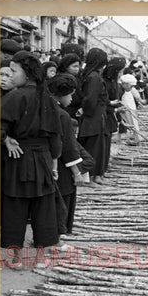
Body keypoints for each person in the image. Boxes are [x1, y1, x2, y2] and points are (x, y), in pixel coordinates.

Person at [0, 50, 63, 265]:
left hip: (18, 158)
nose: (10, 75)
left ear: (26, 73)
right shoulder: (47, 98)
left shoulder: (14, 97)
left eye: (13, 71)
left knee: (15, 206)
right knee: (43, 207)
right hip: (43, 159)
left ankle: (15, 259)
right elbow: (56, 136)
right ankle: (41, 258)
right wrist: (53, 160)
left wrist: (5, 139)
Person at [48, 73, 86, 233]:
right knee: (63, 196)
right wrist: (77, 173)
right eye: (70, 94)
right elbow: (69, 147)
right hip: (61, 166)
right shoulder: (62, 116)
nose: (71, 99)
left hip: (44, 161)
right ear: (62, 93)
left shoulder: (43, 107)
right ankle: (58, 232)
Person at [77, 47, 110, 186]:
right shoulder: (94, 77)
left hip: (95, 116)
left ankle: (96, 175)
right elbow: (90, 99)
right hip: (94, 117)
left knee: (97, 147)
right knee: (93, 148)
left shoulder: (90, 75)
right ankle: (89, 177)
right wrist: (86, 111)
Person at [102, 57, 126, 152]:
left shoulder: (114, 82)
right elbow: (101, 102)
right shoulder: (103, 82)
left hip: (111, 118)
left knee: (108, 144)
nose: (121, 75)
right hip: (104, 118)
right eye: (120, 72)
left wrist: (120, 119)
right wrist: (114, 109)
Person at [119, 73, 141, 146]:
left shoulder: (126, 90)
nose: (131, 88)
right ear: (125, 84)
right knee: (129, 122)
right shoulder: (119, 90)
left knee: (133, 122)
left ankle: (136, 137)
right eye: (131, 86)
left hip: (129, 107)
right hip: (124, 107)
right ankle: (135, 137)